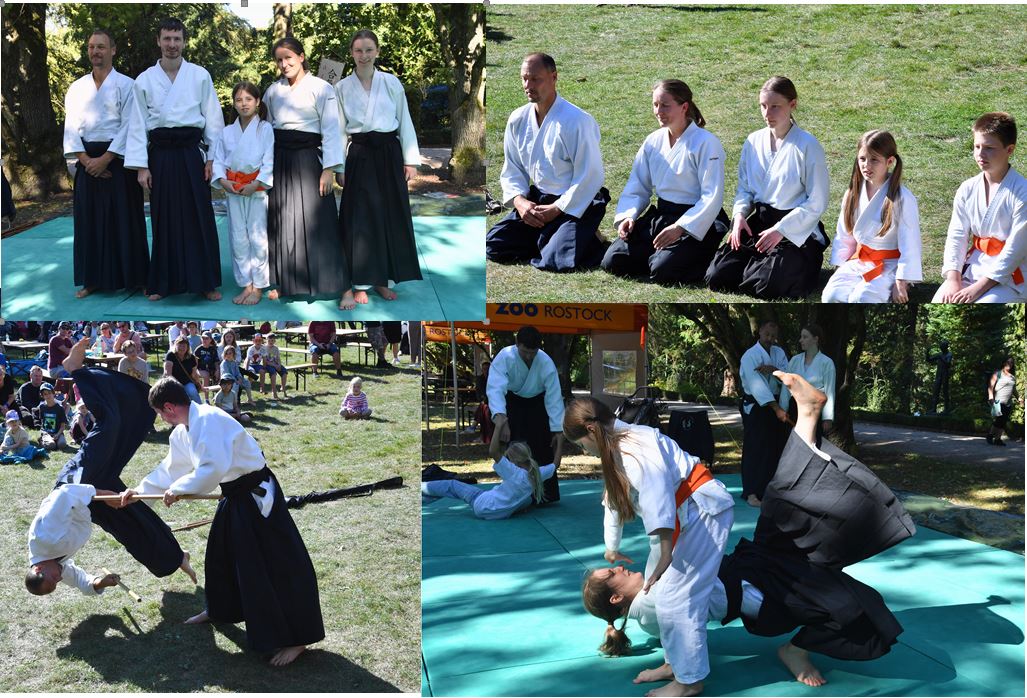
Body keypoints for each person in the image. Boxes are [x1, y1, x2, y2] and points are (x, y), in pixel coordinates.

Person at [582, 372, 913, 691]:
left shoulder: (655, 585)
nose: (621, 566)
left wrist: (616, 545)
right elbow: (679, 618)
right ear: (616, 596)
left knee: (783, 499)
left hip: (750, 565)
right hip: (762, 593)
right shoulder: (653, 604)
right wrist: (683, 676)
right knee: (850, 605)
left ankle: (808, 415)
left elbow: (614, 499)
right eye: (613, 572)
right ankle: (795, 649)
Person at [117, 377, 325, 666]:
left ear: (168, 407)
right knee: (220, 555)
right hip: (234, 496)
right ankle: (220, 610)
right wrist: (139, 493)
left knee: (275, 563)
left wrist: (178, 489)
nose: (161, 419)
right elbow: (171, 468)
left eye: (160, 413)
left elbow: (211, 469)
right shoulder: (182, 432)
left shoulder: (209, 419)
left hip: (256, 496)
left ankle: (298, 638)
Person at [564, 396, 734, 698]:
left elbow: (658, 501)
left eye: (580, 444)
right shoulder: (616, 447)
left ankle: (690, 682)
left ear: (591, 429)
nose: (583, 450)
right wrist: (611, 548)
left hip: (703, 513)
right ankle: (674, 664)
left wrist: (665, 550)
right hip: (686, 517)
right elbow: (613, 500)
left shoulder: (636, 446)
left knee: (676, 601)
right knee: (662, 597)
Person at [26, 339, 195, 596]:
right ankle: (175, 557)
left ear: (39, 570)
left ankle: (75, 370)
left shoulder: (44, 539)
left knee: (111, 426)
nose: (59, 578)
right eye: (57, 582)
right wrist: (99, 583)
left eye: (53, 579)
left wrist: (106, 496)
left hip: (80, 480)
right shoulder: (54, 562)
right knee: (132, 523)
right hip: (91, 503)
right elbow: (78, 579)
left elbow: (66, 494)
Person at [125, 17, 224, 302]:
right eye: (167, 39)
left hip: (192, 154)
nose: (172, 44)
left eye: (177, 39)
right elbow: (137, 124)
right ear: (158, 41)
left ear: (184, 41)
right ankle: (162, 283)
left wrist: (212, 158)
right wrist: (142, 165)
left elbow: (213, 120)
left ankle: (205, 281)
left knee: (199, 216)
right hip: (161, 156)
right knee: (163, 218)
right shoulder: (144, 80)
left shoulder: (200, 75)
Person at [705, 76, 829, 299]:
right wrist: (740, 216)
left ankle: (794, 266)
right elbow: (745, 188)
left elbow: (817, 201)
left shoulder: (808, 145)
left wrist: (781, 230)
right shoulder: (753, 141)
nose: (767, 114)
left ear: (793, 105)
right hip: (760, 224)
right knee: (717, 276)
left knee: (766, 285)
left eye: (775, 107)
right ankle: (758, 265)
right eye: (763, 106)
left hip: (796, 229)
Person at [486, 53, 610, 271]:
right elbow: (512, 168)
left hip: (575, 203)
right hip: (538, 201)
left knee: (555, 262)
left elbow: (590, 175)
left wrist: (557, 208)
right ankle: (553, 237)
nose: (528, 85)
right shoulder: (518, 119)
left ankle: (588, 238)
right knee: (494, 245)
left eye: (535, 79)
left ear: (554, 77)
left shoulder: (577, 121)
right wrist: (520, 203)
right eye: (524, 78)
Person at [602, 80, 729, 284]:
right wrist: (629, 216)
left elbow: (711, 197)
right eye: (655, 105)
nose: (658, 111)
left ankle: (693, 257)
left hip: (696, 221)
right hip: (662, 216)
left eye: (665, 105)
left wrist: (680, 227)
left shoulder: (706, 143)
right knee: (613, 261)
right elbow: (638, 185)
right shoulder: (653, 141)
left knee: (663, 271)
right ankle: (659, 257)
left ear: (684, 107)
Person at [336, 29, 423, 307]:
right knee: (360, 218)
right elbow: (338, 130)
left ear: (377, 52)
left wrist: (410, 160)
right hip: (359, 154)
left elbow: (404, 119)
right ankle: (360, 281)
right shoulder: (341, 88)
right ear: (352, 53)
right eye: (358, 50)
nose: (364, 55)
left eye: (369, 50)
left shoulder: (391, 82)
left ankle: (382, 280)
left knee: (388, 215)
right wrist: (339, 166)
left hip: (388, 153)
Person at [263, 36, 350, 307]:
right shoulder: (272, 92)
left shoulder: (322, 88)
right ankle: (288, 282)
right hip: (280, 160)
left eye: (289, 57)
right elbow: (264, 129)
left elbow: (332, 131)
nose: (284, 64)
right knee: (283, 220)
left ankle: (342, 286)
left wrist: (329, 170)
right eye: (279, 59)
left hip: (310, 160)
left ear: (301, 56)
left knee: (320, 222)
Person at [63, 28, 148, 298]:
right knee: (90, 222)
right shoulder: (77, 88)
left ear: (113, 50)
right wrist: (87, 160)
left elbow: (131, 125)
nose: (95, 51)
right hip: (87, 158)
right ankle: (93, 279)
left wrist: (107, 159)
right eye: (91, 47)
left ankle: (135, 278)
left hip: (118, 159)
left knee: (125, 219)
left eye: (101, 46)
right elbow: (71, 127)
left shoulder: (127, 85)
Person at [933, 112, 1026, 303]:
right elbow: (957, 236)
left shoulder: (1022, 192)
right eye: (977, 147)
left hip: (1013, 277)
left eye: (989, 148)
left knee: (986, 303)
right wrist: (952, 279)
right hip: (975, 266)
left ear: (1009, 149)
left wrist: (978, 288)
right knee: (941, 300)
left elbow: (1016, 249)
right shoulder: (967, 188)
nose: (980, 154)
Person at [823, 130, 922, 303]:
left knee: (862, 297)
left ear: (889, 161)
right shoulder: (853, 193)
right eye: (862, 159)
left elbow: (910, 243)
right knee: (832, 296)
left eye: (874, 160)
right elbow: (844, 234)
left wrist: (901, 282)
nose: (866, 166)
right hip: (859, 260)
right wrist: (840, 268)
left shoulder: (902, 198)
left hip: (889, 264)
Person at [212, 82, 275, 306]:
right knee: (238, 238)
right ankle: (246, 284)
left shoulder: (265, 128)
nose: (244, 104)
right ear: (234, 104)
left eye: (248, 99)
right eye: (239, 100)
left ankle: (258, 286)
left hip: (255, 190)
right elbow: (218, 159)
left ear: (257, 102)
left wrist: (257, 182)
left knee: (257, 238)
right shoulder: (227, 132)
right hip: (234, 189)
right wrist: (222, 181)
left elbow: (269, 159)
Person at [487, 326, 564, 502]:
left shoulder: (545, 361)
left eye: (533, 352)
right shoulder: (505, 356)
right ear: (517, 344)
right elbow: (495, 389)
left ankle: (546, 495)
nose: (529, 356)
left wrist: (558, 430)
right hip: (513, 405)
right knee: (516, 450)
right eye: (525, 352)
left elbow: (554, 397)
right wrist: (501, 419)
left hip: (538, 405)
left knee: (543, 448)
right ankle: (517, 495)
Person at [422, 441, 556, 519]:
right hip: (499, 514)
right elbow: (556, 464)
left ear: (514, 460)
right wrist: (560, 440)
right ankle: (423, 498)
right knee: (527, 499)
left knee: (452, 485)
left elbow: (493, 451)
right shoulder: (537, 473)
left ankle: (420, 487)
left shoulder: (514, 472)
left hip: (482, 503)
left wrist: (498, 425)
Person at [739, 320, 790, 506]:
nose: (770, 339)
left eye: (773, 335)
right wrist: (776, 409)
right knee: (756, 448)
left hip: (776, 403)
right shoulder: (750, 356)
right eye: (767, 334)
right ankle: (751, 493)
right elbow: (757, 385)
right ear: (759, 331)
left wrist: (774, 371)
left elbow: (787, 376)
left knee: (774, 449)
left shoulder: (779, 353)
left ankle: (769, 491)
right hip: (757, 406)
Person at [779, 325, 835, 443]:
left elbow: (830, 391)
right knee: (793, 444)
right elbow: (786, 387)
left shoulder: (827, 363)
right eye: (801, 337)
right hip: (795, 410)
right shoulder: (794, 360)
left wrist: (827, 418)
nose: (800, 340)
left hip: (815, 410)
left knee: (813, 445)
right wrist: (782, 409)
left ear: (816, 339)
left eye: (805, 337)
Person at [164, 336, 205, 404]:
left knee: (192, 392)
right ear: (176, 346)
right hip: (172, 383)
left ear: (187, 347)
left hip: (187, 382)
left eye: (184, 346)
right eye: (180, 345)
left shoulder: (191, 357)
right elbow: (168, 374)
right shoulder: (170, 355)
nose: (182, 348)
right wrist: (178, 385)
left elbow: (194, 374)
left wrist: (200, 386)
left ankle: (199, 409)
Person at [987, 357, 1017, 446]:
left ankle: (997, 439)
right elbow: (990, 387)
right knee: (999, 420)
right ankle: (990, 435)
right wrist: (991, 398)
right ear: (1004, 363)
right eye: (1008, 362)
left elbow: (1014, 390)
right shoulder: (998, 373)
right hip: (998, 401)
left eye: (1011, 362)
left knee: (1003, 421)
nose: (1009, 364)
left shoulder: (1012, 377)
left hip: (1008, 402)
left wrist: (1018, 398)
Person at [37, 382, 69, 450]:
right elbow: (42, 423)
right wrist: (46, 434)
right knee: (52, 445)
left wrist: (57, 435)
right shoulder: (42, 407)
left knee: (62, 445)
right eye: (45, 394)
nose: (48, 395)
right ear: (42, 396)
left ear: (53, 393)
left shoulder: (60, 408)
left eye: (49, 393)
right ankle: (42, 440)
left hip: (58, 432)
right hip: (46, 432)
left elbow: (63, 426)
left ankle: (54, 441)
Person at [927, 340, 953, 414]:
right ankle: (933, 408)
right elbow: (929, 360)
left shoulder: (949, 354)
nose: (941, 349)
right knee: (936, 391)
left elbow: (948, 364)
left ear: (945, 347)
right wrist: (927, 352)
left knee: (945, 392)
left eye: (942, 347)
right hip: (939, 375)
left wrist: (941, 358)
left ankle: (946, 409)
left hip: (945, 375)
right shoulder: (940, 354)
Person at [264, 333, 288, 401]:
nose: (271, 342)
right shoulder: (264, 348)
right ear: (266, 340)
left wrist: (279, 365)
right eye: (269, 341)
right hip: (267, 365)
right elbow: (265, 361)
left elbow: (278, 358)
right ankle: (274, 392)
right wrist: (274, 365)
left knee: (284, 372)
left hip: (275, 364)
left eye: (272, 340)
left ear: (274, 341)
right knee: (273, 373)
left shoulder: (276, 348)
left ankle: (283, 387)